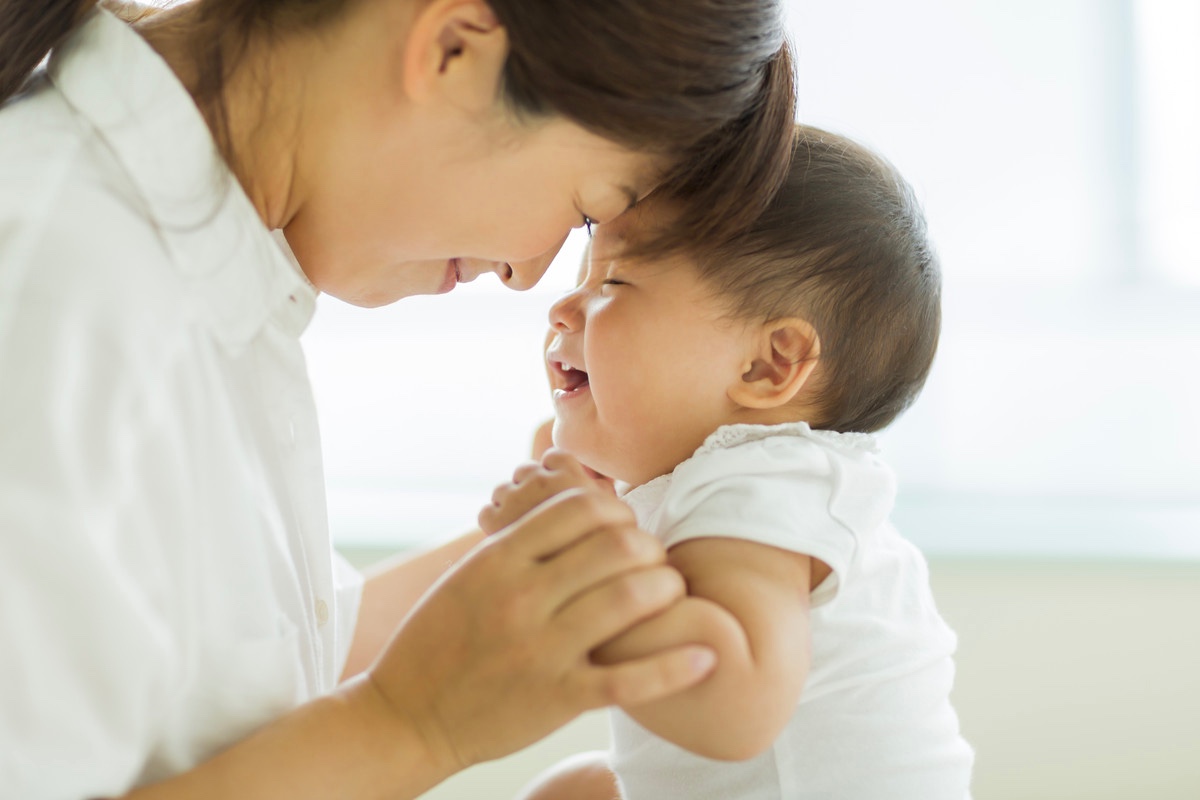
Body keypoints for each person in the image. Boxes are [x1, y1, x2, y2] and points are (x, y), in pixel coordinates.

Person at [0, 0, 798, 797]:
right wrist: (411, 725)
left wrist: (560, 545)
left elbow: (263, 657)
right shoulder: (52, 291)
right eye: (588, 211)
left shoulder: (208, 284)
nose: (529, 274)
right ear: (453, 50)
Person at [480, 125, 976, 799]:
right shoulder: (743, 481)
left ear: (768, 365)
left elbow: (731, 709)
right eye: (581, 277)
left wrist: (573, 552)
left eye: (614, 281)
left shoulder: (766, 480)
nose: (563, 309)